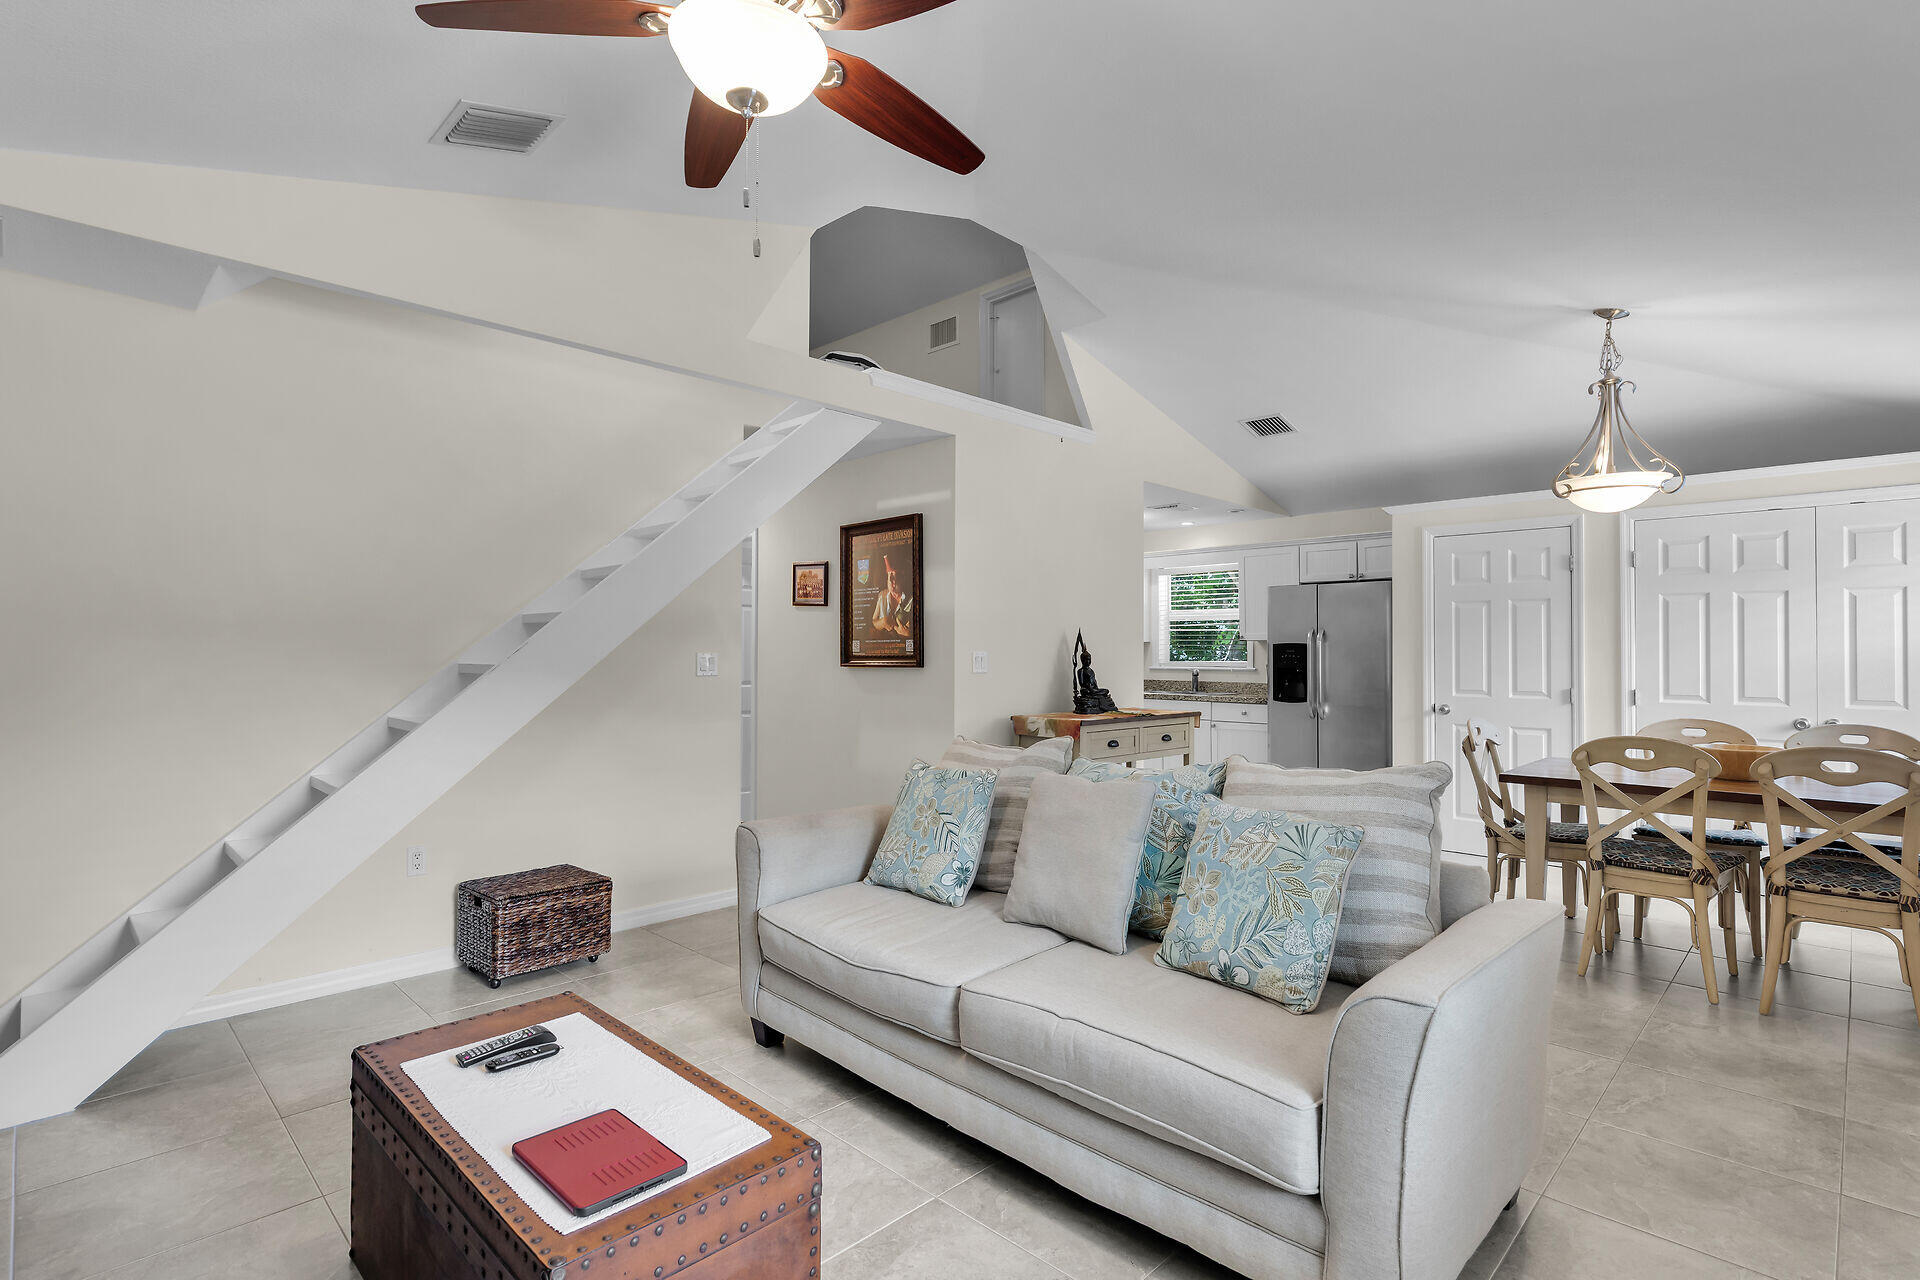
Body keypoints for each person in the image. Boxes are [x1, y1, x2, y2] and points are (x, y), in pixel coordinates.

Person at [871, 555, 912, 638]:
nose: (890, 580)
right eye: (889, 575)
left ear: (902, 579)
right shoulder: (882, 595)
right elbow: (874, 621)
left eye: (893, 575)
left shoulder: (911, 599)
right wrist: (882, 622)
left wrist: (909, 634)